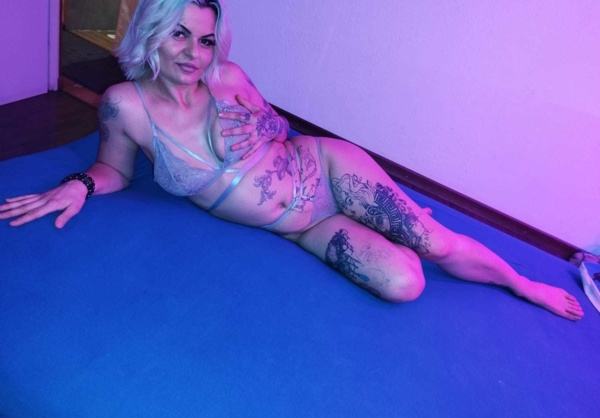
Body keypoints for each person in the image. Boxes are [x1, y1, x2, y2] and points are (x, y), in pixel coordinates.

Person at [0, 0, 583, 321]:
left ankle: (522, 283)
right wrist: (78, 184)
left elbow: (282, 129)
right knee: (405, 283)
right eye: (179, 35)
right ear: (152, 32)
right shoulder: (124, 105)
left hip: (325, 170)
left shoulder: (228, 78)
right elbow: (115, 170)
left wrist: (265, 125)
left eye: (205, 40)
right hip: (302, 227)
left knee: (438, 245)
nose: (194, 53)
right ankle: (398, 223)